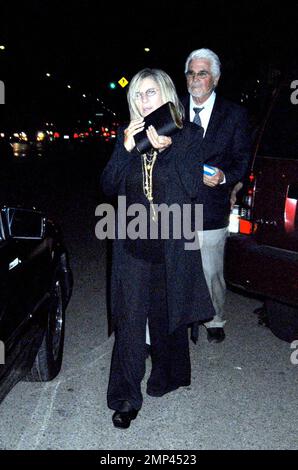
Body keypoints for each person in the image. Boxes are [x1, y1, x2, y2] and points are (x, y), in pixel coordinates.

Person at [100, 68, 215, 429]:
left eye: (149, 93)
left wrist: (169, 151)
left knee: (168, 317)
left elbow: (193, 187)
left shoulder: (189, 136)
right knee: (130, 322)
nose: (141, 101)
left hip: (173, 245)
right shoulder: (128, 137)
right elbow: (107, 186)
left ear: (166, 94)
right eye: (136, 94)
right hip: (132, 246)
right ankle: (124, 398)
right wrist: (125, 149)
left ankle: (166, 376)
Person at [182, 48, 251, 343]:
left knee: (211, 270)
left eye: (202, 73)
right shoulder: (172, 110)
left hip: (212, 205)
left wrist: (224, 177)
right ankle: (180, 317)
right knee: (178, 267)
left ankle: (214, 318)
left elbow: (241, 158)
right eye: (191, 73)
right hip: (176, 206)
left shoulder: (234, 115)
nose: (195, 79)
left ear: (216, 78)